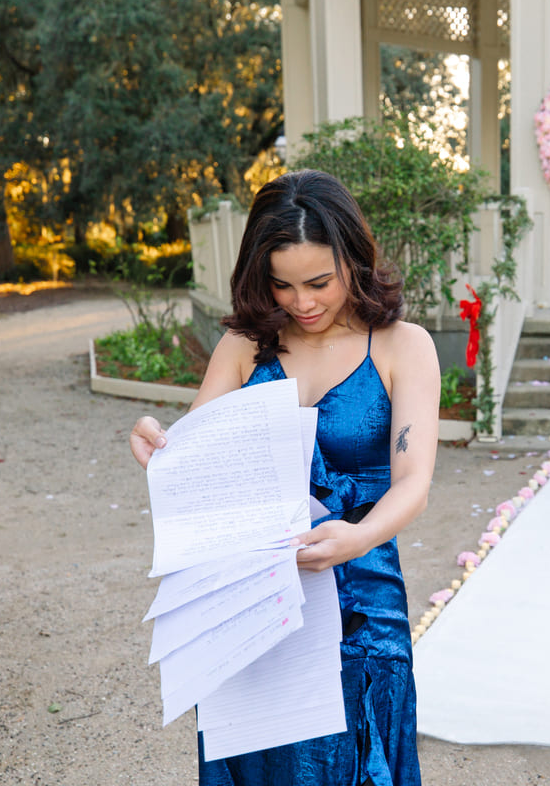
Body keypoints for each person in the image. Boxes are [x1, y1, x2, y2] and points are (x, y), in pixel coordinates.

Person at [130, 169, 439, 785]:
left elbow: (413, 481)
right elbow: (198, 460)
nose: (302, 303)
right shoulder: (245, 348)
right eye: (283, 285)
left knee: (360, 756)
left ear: (355, 259)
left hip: (362, 599)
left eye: (320, 282)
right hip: (255, 595)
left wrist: (359, 537)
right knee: (260, 759)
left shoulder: (405, 346)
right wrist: (156, 445)